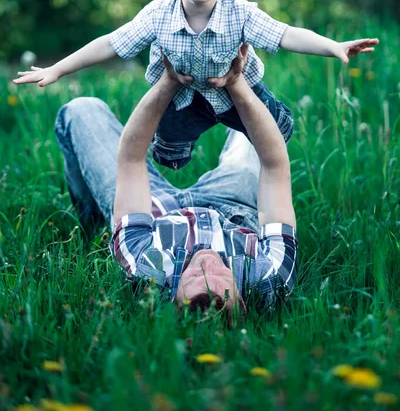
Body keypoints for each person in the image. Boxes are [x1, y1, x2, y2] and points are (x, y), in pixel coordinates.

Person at [16, 0, 378, 170]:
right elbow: (112, 43)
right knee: (170, 158)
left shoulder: (241, 13)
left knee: (280, 134)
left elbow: (285, 35)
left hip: (238, 91)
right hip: (183, 96)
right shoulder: (158, 13)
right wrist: (58, 69)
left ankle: (245, 137)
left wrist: (333, 46)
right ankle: (176, 148)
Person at [55, 46, 297, 315]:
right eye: (220, 280)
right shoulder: (270, 275)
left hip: (154, 210)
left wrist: (168, 82)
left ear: (171, 296)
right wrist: (236, 83)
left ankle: (95, 223)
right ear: (240, 299)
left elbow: (131, 159)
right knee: (268, 127)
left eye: (193, 279)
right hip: (233, 206)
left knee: (81, 110)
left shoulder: (146, 267)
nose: (206, 263)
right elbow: (275, 165)